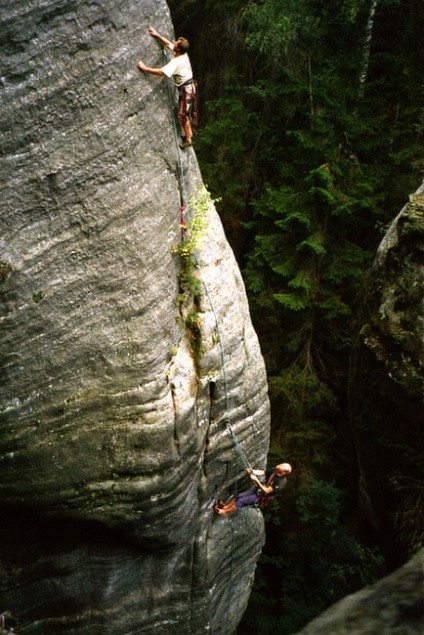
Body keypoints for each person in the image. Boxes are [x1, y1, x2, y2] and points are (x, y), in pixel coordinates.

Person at [136, 26, 195, 148]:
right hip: (187, 88)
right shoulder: (182, 54)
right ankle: (189, 134)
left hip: (186, 89)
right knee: (183, 113)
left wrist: (144, 68)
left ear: (178, 49)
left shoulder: (177, 62)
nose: (174, 43)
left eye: (176, 43)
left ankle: (189, 139)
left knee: (182, 115)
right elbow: (168, 44)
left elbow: (161, 73)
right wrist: (156, 34)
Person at [214, 463, 292, 516]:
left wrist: (256, 480)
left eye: (282, 466)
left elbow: (267, 491)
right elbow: (263, 472)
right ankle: (225, 507)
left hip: (262, 497)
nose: (280, 465)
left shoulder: (281, 482)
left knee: (241, 501)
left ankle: (223, 512)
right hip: (259, 490)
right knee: (239, 496)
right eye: (282, 464)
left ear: (283, 472)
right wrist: (253, 471)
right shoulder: (275, 470)